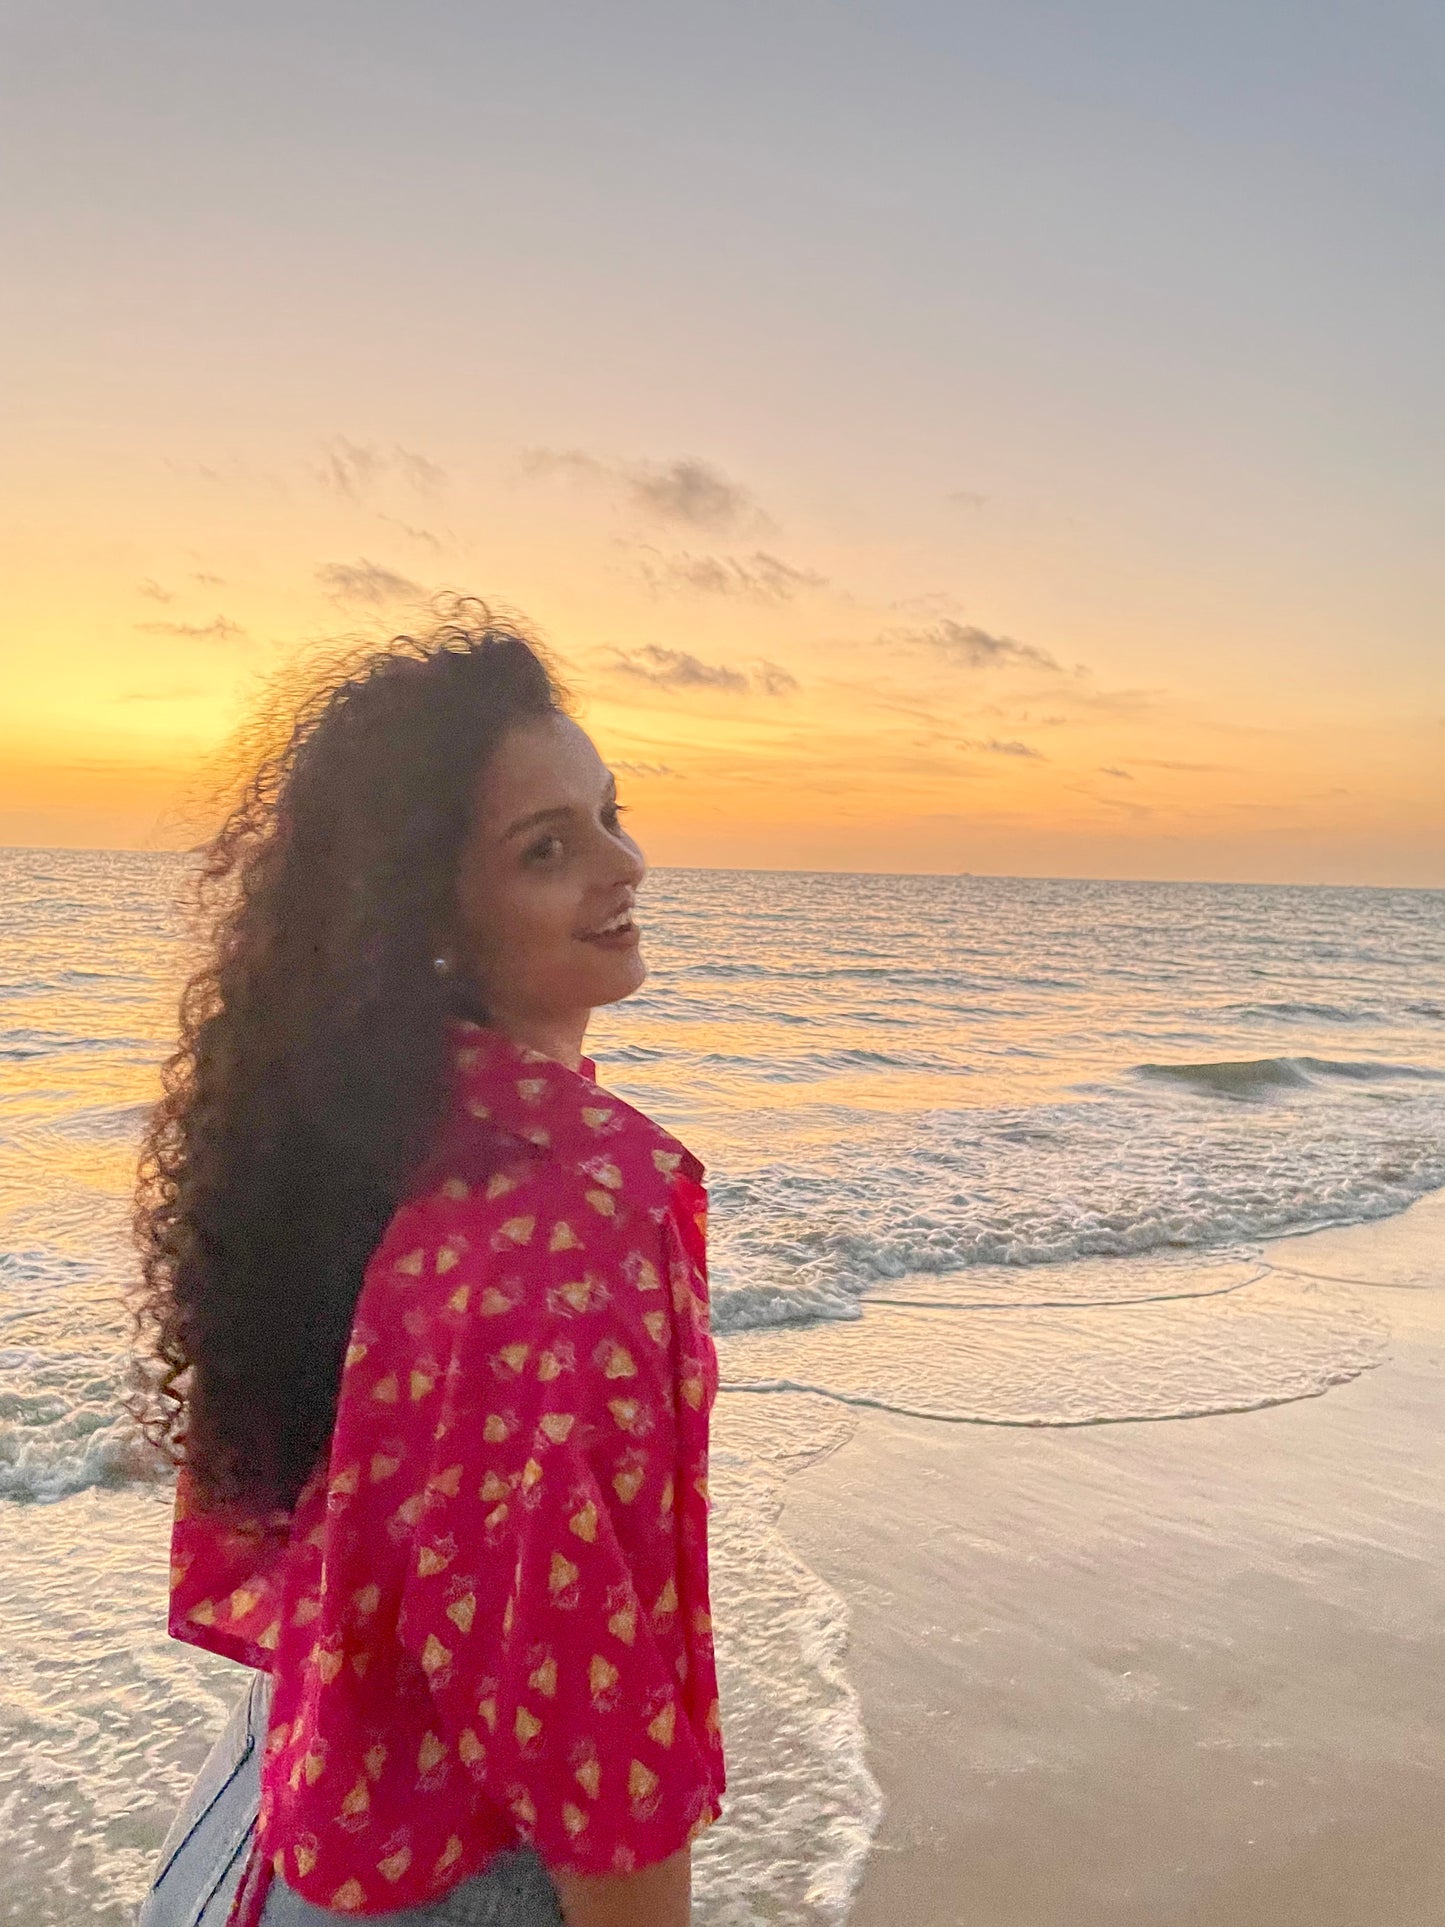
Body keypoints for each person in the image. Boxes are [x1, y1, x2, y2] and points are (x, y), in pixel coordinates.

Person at [130, 606, 725, 1927]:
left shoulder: (354, 1140)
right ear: (433, 920)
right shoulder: (570, 1204)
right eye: (546, 849)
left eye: (610, 814)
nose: (622, 865)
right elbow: (570, 1687)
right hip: (455, 1875)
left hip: (283, 1811)